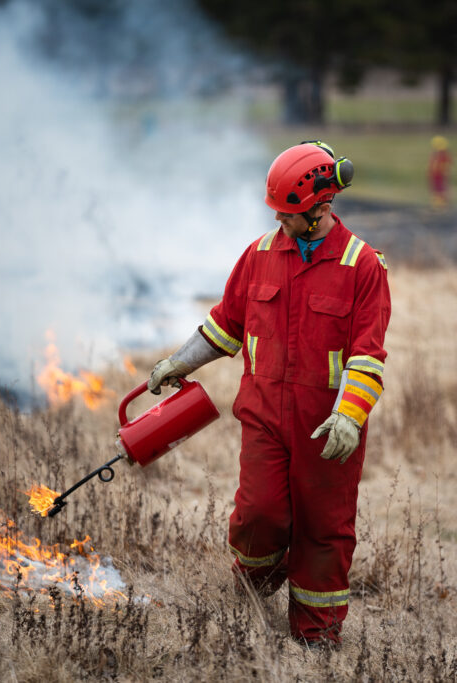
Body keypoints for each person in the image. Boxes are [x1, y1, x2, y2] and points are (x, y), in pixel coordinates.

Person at [146, 141, 391, 648]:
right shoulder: (259, 255)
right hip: (263, 417)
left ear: (322, 207)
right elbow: (225, 325)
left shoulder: (362, 266)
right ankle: (257, 583)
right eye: (277, 211)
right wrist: (178, 362)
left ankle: (316, 638)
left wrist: (349, 415)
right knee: (257, 515)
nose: (281, 221)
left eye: (290, 213)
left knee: (324, 531)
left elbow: (368, 355)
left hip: (326, 429)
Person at [428, 135, 452, 209]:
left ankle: (442, 204)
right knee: (435, 190)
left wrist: (445, 174)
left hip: (440, 176)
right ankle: (437, 203)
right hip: (435, 176)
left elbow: (446, 166)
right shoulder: (435, 155)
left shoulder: (444, 155)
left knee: (441, 190)